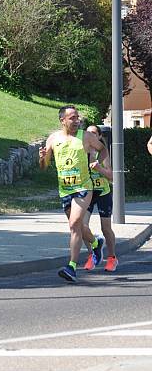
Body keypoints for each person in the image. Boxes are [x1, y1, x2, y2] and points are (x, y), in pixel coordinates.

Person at [39, 105, 110, 282]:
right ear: (62, 120)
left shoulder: (86, 136)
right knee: (78, 226)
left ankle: (71, 266)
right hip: (65, 189)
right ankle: (95, 243)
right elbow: (44, 166)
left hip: (83, 188)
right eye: (72, 118)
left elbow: (103, 149)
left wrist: (96, 162)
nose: (76, 120)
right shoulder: (53, 139)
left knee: (74, 224)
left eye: (77, 117)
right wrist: (42, 158)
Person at [82, 125, 118, 272]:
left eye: (93, 133)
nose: (90, 135)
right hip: (87, 192)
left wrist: (99, 169)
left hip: (102, 192)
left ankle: (112, 258)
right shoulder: (82, 152)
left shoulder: (102, 152)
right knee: (81, 225)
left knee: (106, 228)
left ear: (99, 136)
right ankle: (93, 254)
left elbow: (111, 176)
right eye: (88, 133)